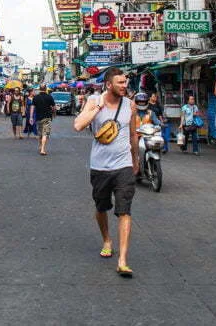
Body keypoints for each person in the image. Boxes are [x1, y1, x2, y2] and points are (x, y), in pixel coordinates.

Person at [73, 67, 140, 278]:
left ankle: (122, 260)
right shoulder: (94, 101)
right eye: (120, 83)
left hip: (124, 165)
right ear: (109, 84)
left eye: (126, 82)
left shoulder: (131, 105)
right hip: (100, 166)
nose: (125, 86)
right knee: (101, 207)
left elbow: (133, 136)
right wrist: (98, 108)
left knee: (124, 210)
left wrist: (135, 159)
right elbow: (78, 125)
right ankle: (107, 240)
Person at [32, 86, 58, 156]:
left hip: (38, 118)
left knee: (40, 133)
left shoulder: (35, 97)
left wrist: (31, 117)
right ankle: (43, 149)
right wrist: (55, 113)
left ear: (40, 89)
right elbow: (54, 107)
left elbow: (32, 107)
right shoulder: (49, 97)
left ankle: (40, 145)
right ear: (46, 89)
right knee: (45, 134)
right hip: (47, 118)